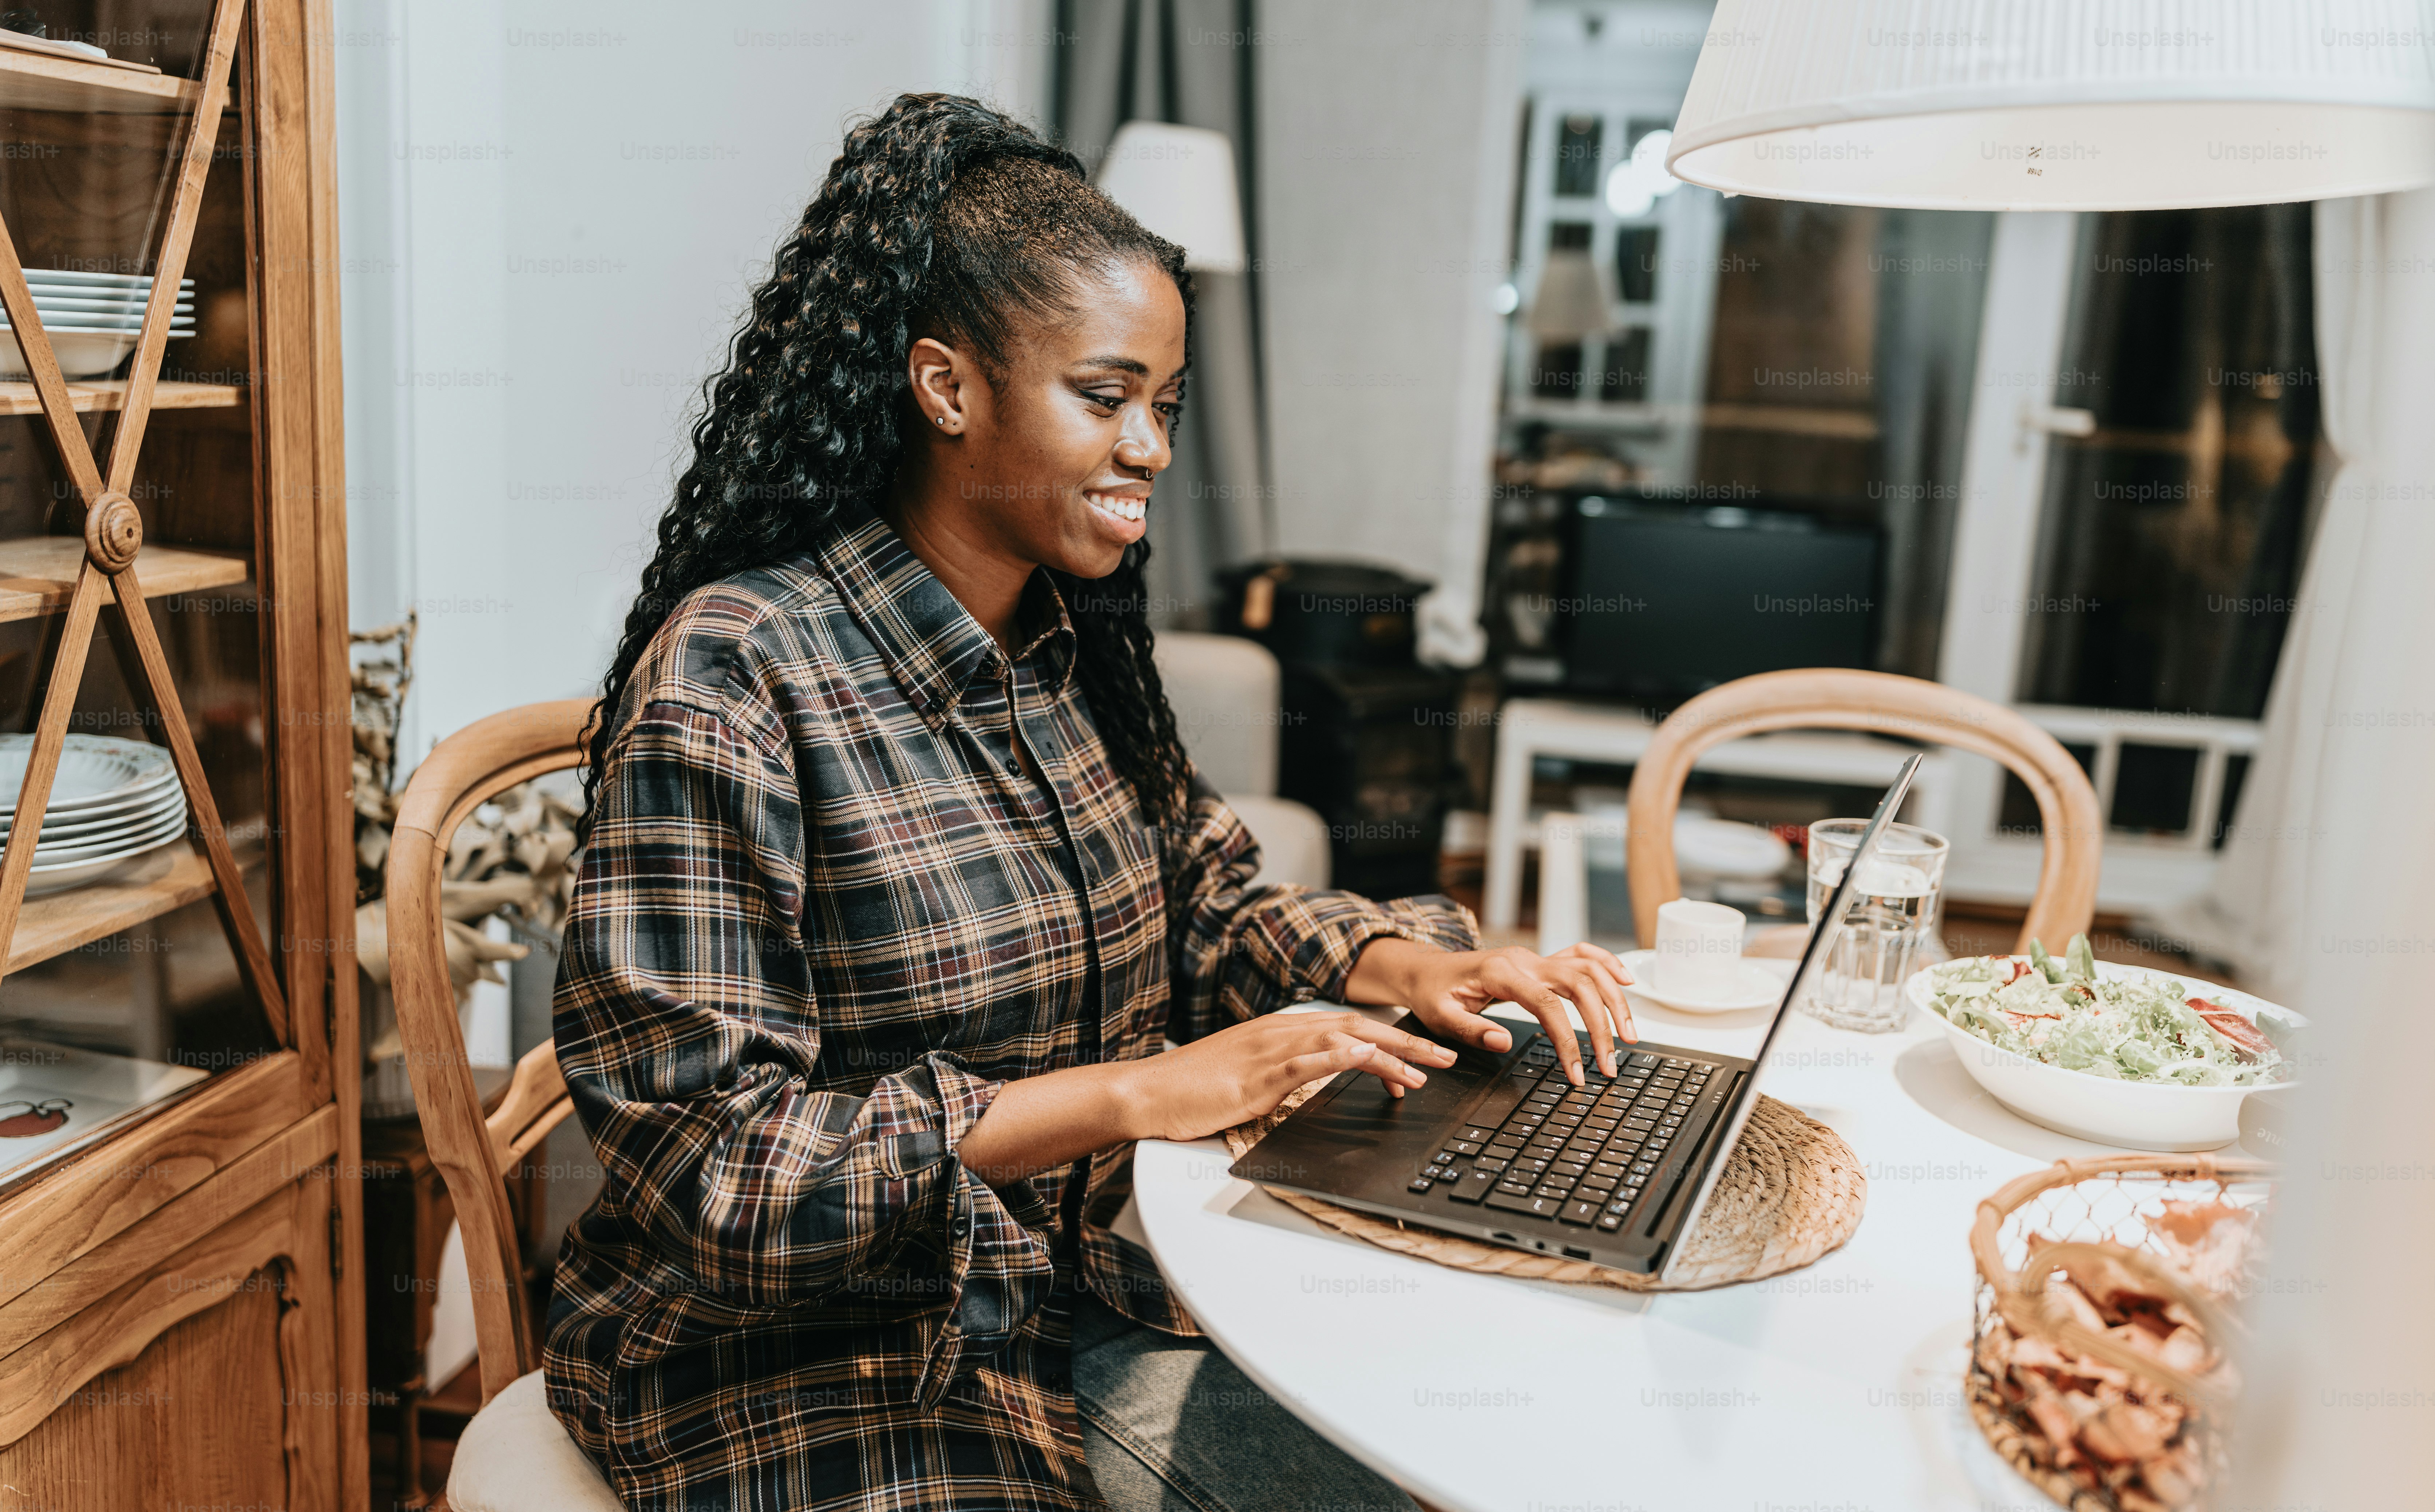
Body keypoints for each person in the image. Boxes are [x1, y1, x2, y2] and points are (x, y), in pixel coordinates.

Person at [547, 92, 1636, 1512]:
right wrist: (1137, 1092)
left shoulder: (1066, 649)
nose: (1152, 452)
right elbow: (713, 1171)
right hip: (827, 1362)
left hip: (1091, 1290)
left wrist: (1410, 962)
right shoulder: (739, 673)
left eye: (1164, 408)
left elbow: (1211, 890)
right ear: (946, 387)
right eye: (1105, 397)